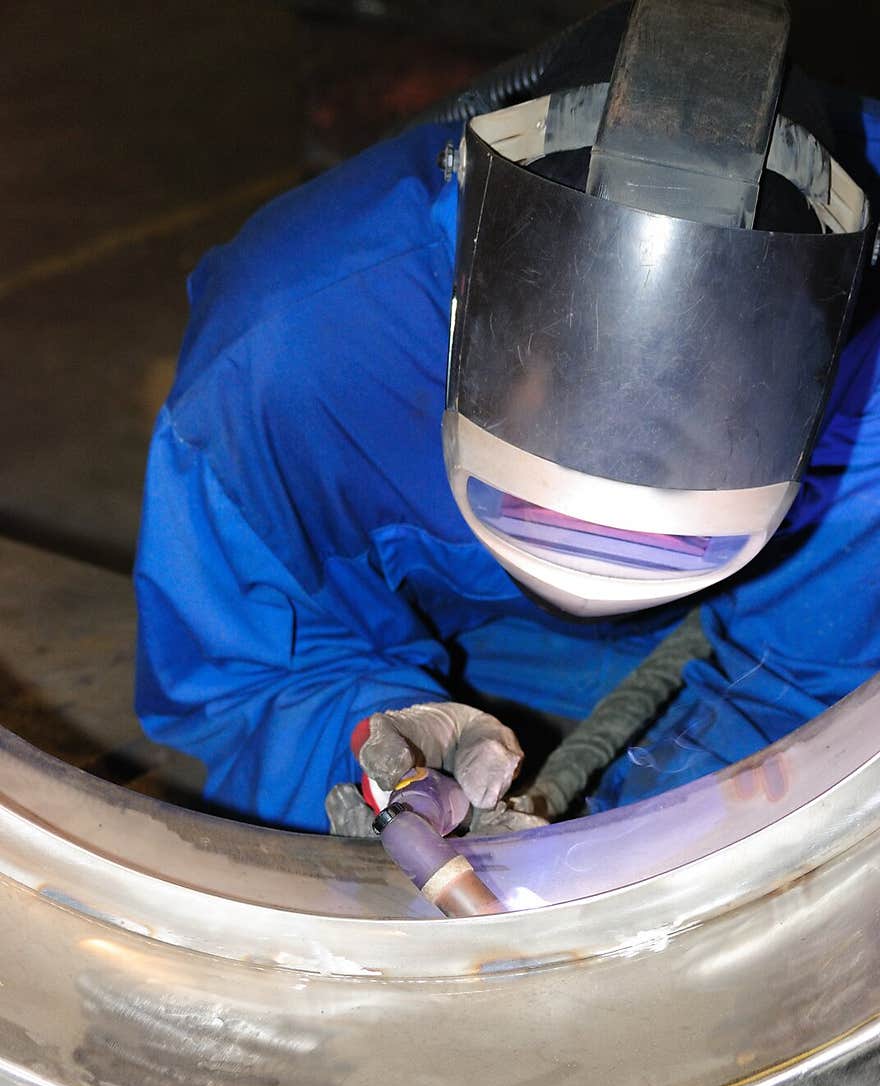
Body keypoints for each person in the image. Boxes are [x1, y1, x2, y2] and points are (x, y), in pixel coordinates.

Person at [135, 0, 880, 835]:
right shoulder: (288, 354)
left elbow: (810, 699)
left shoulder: (869, 381)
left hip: (765, 636)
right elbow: (248, 677)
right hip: (475, 640)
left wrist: (632, 863)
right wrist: (383, 746)